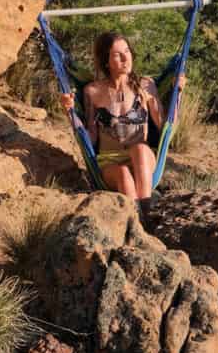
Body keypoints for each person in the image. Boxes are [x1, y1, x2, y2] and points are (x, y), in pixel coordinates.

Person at [59, 31, 185, 221]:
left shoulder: (146, 85)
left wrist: (179, 92)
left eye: (127, 51)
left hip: (142, 161)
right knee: (123, 174)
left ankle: (146, 215)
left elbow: (165, 124)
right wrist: (70, 113)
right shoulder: (92, 91)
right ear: (106, 61)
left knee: (140, 149)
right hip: (109, 163)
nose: (126, 58)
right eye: (118, 54)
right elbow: (91, 137)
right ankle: (137, 223)